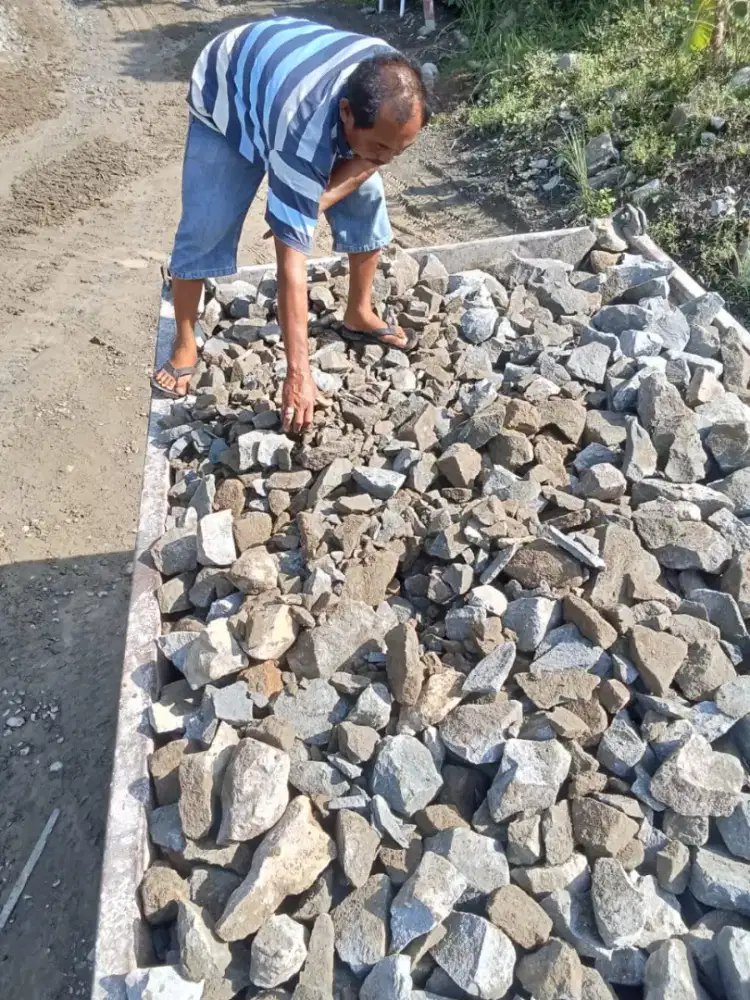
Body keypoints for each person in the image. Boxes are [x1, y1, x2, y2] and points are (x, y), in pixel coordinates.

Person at [152, 15, 430, 432]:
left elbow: (370, 161)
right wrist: (298, 374)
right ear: (346, 114)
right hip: (228, 90)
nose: (387, 157)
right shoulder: (301, 134)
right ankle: (185, 340)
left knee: (366, 198)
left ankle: (358, 310)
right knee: (206, 224)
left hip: (284, 78)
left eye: (400, 148)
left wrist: (310, 203)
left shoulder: (396, 87)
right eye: (379, 146)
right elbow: (291, 269)